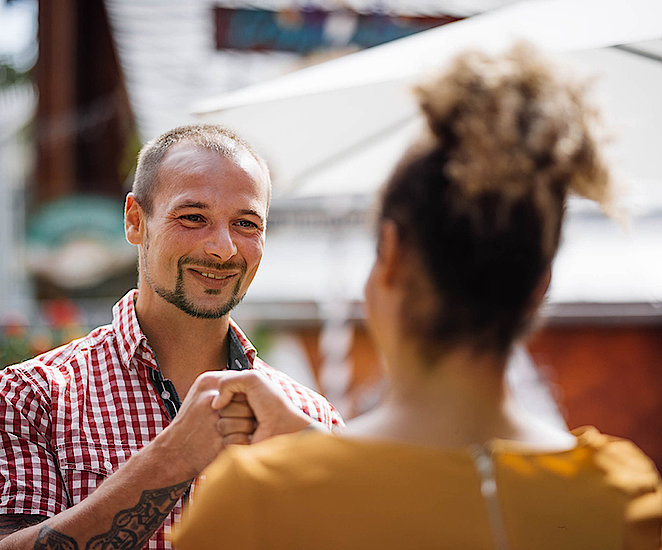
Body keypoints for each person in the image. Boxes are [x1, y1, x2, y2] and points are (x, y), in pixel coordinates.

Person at [173, 45, 662, 550]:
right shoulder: (621, 495)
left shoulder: (256, 501)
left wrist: (309, 457)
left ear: (391, 257)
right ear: (539, 288)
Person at [0, 124, 343, 549]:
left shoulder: (313, 416)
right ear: (134, 221)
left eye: (246, 223)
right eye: (193, 218)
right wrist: (173, 458)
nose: (223, 248)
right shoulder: (32, 396)